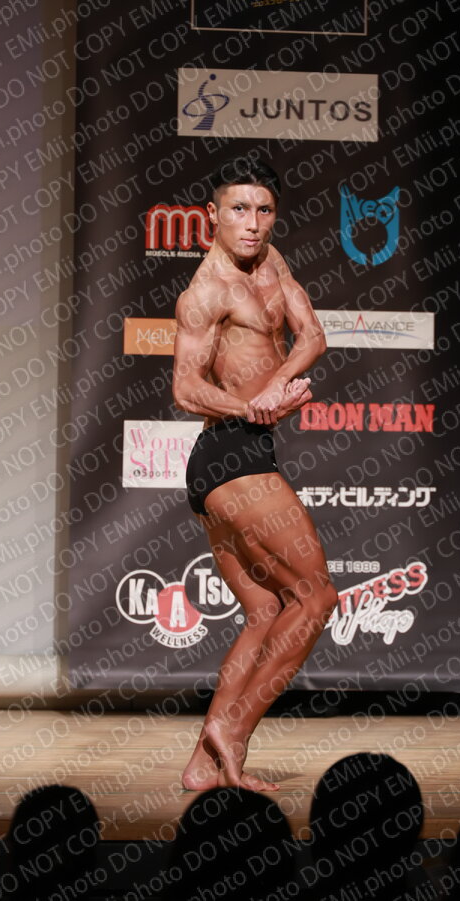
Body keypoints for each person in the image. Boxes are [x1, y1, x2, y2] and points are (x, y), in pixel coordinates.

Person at [173, 155, 338, 792]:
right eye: (239, 209)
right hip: (229, 454)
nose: (252, 223)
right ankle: (233, 729)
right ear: (213, 215)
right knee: (316, 597)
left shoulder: (273, 264)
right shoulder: (205, 292)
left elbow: (312, 335)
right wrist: (251, 407)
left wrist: (273, 388)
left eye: (263, 210)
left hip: (242, 452)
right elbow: (186, 388)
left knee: (266, 609)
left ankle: (203, 765)